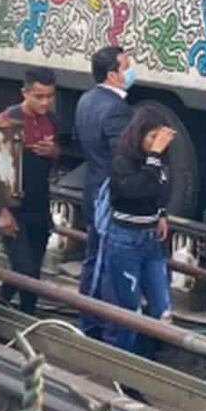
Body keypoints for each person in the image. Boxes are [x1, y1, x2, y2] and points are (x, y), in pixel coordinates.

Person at [88, 104, 175, 352]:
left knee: (163, 308)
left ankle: (151, 358)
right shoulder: (122, 160)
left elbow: (160, 190)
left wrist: (161, 214)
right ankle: (127, 371)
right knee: (130, 312)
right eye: (151, 137)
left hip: (151, 239)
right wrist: (154, 157)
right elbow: (133, 190)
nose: (156, 144)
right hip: (125, 239)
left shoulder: (160, 161)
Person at [73, 45, 133, 337]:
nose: (132, 70)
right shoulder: (117, 109)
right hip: (109, 197)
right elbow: (122, 159)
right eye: (127, 66)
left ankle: (89, 322)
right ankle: (105, 329)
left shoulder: (86, 100)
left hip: (93, 188)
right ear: (113, 75)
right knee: (108, 263)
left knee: (93, 257)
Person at [0, 67, 60, 315]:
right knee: (25, 269)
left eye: (50, 97)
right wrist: (3, 211)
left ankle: (17, 313)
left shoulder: (52, 121)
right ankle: (13, 314)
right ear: (25, 93)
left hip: (39, 204)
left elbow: (57, 158)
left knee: (33, 267)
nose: (45, 102)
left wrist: (53, 152)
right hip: (15, 205)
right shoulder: (8, 120)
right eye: (39, 96)